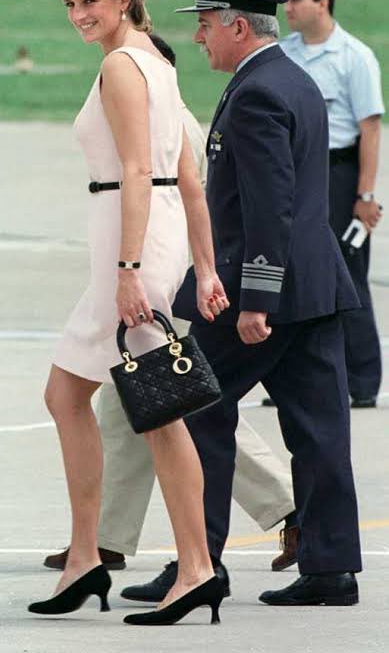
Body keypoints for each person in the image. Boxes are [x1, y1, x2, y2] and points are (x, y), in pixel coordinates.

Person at [134, 0, 363, 606]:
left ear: (238, 27)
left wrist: (256, 299)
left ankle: (199, 564)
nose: (199, 37)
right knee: (319, 430)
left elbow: (270, 206)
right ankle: (330, 569)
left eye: (206, 25)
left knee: (194, 414)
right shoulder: (293, 79)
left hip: (255, 295)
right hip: (313, 287)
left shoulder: (258, 93)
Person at [43, 34, 299, 593]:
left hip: (161, 273)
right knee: (136, 403)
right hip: (163, 267)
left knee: (172, 401)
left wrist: (174, 271)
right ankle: (105, 538)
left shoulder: (161, 111)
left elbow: (188, 193)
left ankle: (281, 508)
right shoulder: (165, 108)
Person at [28, 0, 229, 626]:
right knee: (69, 395)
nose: (78, 15)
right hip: (144, 238)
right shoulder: (156, 61)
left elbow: (142, 171)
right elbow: (190, 178)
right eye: (70, 4)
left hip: (132, 243)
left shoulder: (122, 66)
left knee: (159, 411)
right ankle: (87, 557)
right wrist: (203, 266)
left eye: (89, 1)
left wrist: (129, 271)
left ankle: (196, 569)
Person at [279, 0, 385, 408]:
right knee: (291, 272)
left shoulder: (353, 56)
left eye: (296, 0)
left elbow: (370, 129)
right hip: (294, 172)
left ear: (322, 3)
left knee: (347, 274)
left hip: (338, 175)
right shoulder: (284, 53)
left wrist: (365, 195)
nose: (288, 8)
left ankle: (362, 382)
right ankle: (290, 379)